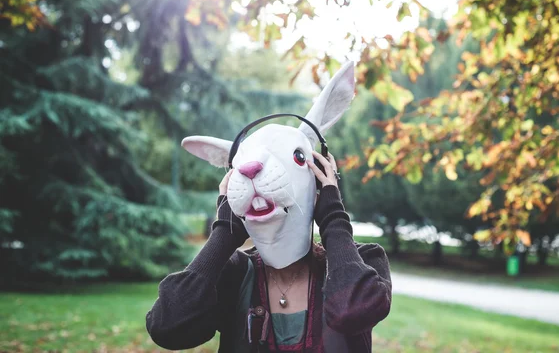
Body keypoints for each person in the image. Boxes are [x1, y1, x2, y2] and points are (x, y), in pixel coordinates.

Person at [146, 151, 391, 352]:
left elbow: (353, 311)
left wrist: (333, 219)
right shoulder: (236, 272)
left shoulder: (365, 260)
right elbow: (167, 328)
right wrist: (224, 232)